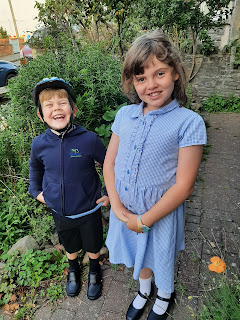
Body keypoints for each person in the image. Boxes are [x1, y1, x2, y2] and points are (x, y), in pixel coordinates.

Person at [103, 30, 207, 320]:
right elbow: (109, 164)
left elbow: (184, 186)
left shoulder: (189, 123)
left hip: (158, 212)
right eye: (141, 78)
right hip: (125, 209)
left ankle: (165, 294)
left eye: (159, 73)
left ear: (174, 72)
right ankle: (144, 289)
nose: (151, 84)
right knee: (139, 254)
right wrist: (119, 207)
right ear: (132, 82)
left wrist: (145, 220)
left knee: (160, 255)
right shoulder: (125, 115)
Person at [29, 77, 109, 300]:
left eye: (62, 103)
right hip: (60, 211)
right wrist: (37, 192)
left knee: (93, 243)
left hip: (89, 209)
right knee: (69, 244)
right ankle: (73, 269)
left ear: (73, 109)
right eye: (49, 105)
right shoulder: (39, 144)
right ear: (40, 114)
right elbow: (35, 170)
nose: (56, 108)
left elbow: (110, 166)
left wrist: (108, 193)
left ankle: (94, 269)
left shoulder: (89, 140)